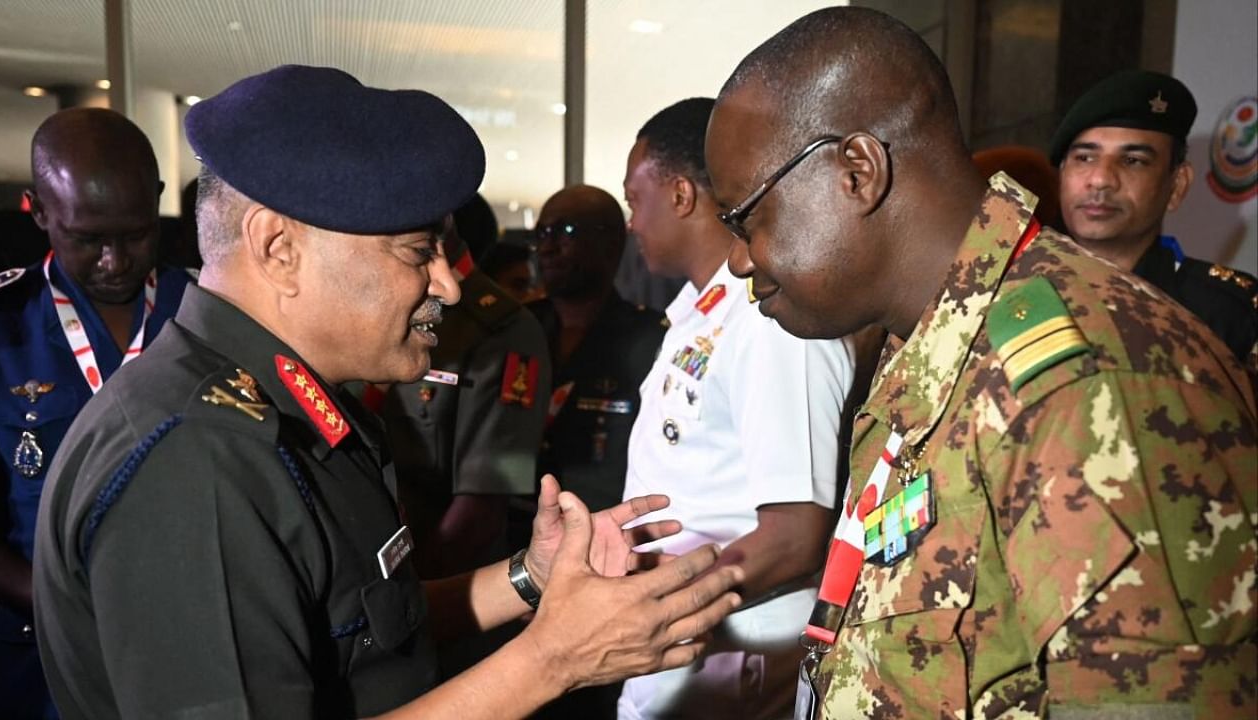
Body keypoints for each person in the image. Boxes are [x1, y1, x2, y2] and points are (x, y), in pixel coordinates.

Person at [32, 65, 744, 720]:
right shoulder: (196, 462)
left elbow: (355, 626)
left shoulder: (298, 404)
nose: (450, 284)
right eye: (416, 252)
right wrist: (552, 660)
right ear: (280, 249)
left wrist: (530, 576)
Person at [706, 8, 1255, 718]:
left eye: (744, 216)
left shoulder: (1087, 385)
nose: (739, 258)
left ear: (858, 172)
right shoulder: (925, 347)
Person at [616, 97, 853, 720]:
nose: (631, 224)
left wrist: (662, 606)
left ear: (681, 194)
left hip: (723, 666)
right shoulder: (700, 313)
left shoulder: (769, 317)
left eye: (632, 200)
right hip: (673, 658)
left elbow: (796, 535)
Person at [0, 107, 193, 720]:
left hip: (191, 645)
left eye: (135, 233)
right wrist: (51, 603)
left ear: (156, 203)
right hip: (41, 661)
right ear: (39, 211)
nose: (115, 260)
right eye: (88, 238)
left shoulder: (209, 312)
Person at [378, 194, 550, 580]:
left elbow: (481, 508)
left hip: (449, 585)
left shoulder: (500, 329)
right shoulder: (368, 305)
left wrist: (416, 602)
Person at [1052, 69, 1258, 380]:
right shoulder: (1013, 293)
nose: (1101, 179)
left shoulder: (1227, 314)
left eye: (1133, 160)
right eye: (1084, 158)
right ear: (1062, 175)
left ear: (1176, 186)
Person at [529, 186, 666, 514]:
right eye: (542, 232)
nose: (547, 247)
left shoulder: (652, 340)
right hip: (513, 532)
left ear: (612, 244)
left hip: (605, 532)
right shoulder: (518, 328)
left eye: (566, 231)